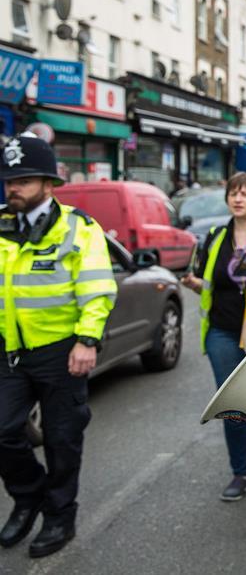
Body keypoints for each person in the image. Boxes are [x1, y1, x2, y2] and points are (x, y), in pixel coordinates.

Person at [0, 135, 117, 557]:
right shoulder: (1, 224)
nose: (13, 188)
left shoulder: (78, 228)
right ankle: (29, 495)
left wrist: (87, 340)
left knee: (62, 440)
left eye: (24, 180)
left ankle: (59, 517)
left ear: (48, 183)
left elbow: (98, 290)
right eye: (9, 180)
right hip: (9, 351)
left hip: (61, 351)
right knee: (4, 431)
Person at [180, 172, 246, 502]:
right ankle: (240, 473)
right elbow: (209, 283)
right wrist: (194, 284)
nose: (238, 199)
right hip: (222, 331)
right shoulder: (216, 236)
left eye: (245, 193)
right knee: (231, 405)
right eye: (233, 193)